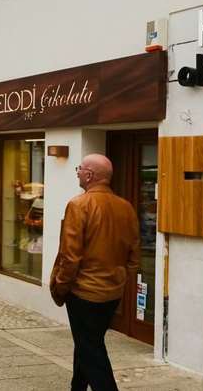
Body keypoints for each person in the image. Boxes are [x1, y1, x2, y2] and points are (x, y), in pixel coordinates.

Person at [49, 154, 139, 391]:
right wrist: (120, 281)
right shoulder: (126, 207)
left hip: (83, 292)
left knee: (91, 349)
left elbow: (70, 256)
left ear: (89, 175)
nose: (77, 171)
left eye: (79, 168)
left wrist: (61, 286)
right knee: (88, 343)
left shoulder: (79, 205)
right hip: (112, 292)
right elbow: (134, 256)